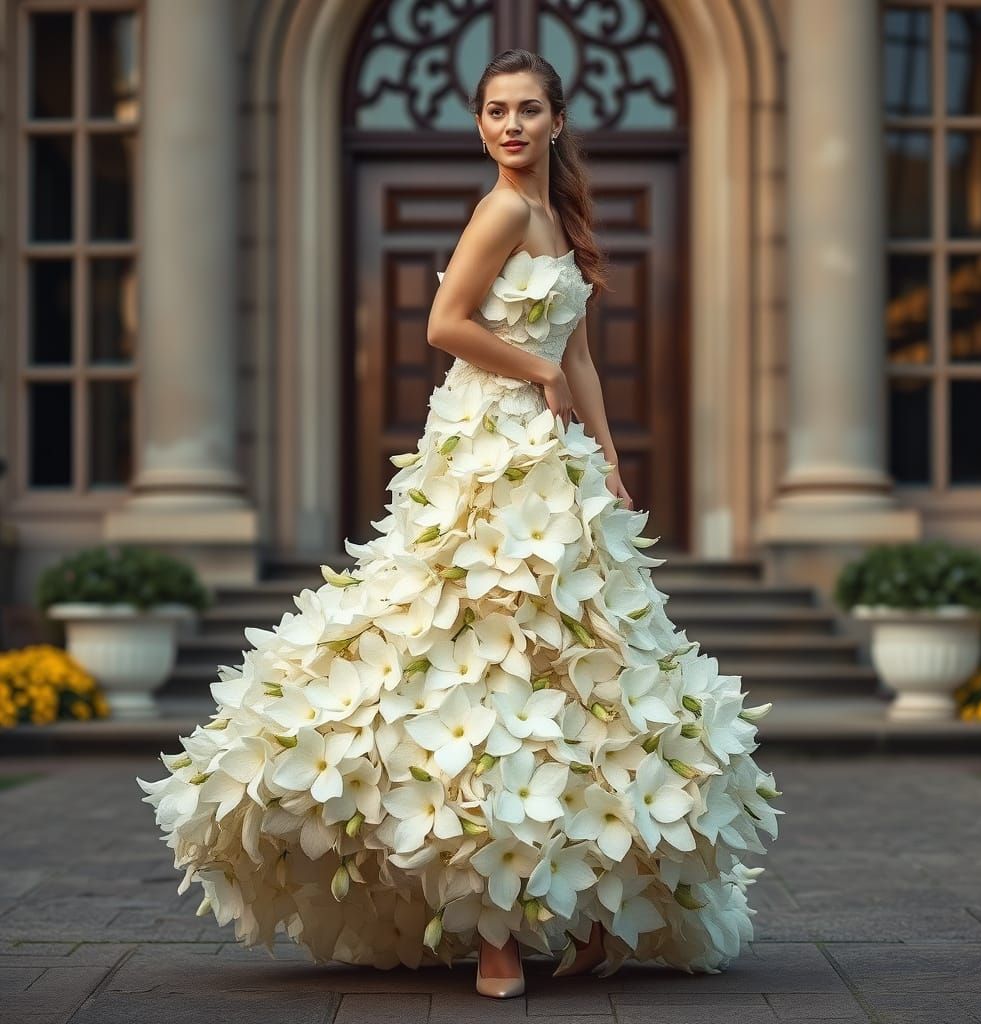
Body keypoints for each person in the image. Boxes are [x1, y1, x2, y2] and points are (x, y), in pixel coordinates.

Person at [137, 48, 782, 1001]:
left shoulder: (559, 217)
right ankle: (494, 938)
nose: (510, 126)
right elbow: (445, 323)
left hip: (553, 459)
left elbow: (582, 355)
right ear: (480, 125)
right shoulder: (502, 211)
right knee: (473, 651)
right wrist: (538, 374)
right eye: (494, 111)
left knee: (568, 660)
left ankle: (591, 916)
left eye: (527, 110)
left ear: (558, 121)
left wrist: (607, 453)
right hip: (486, 453)